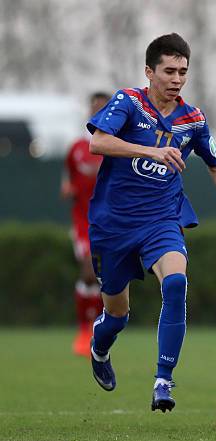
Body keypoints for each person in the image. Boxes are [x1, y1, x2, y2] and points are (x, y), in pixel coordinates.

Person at [86, 33, 216, 412]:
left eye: (183, 71)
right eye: (169, 70)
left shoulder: (192, 119)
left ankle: (163, 380)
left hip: (162, 219)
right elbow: (97, 143)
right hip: (113, 225)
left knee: (177, 283)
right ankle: (100, 349)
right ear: (149, 71)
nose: (177, 78)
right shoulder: (129, 103)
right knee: (116, 315)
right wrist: (151, 149)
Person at [61, 92, 110, 357]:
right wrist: (67, 187)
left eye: (103, 108)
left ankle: (98, 332)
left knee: (103, 277)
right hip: (83, 222)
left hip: (109, 222)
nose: (98, 112)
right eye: (95, 108)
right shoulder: (78, 147)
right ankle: (84, 331)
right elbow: (67, 176)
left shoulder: (117, 146)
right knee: (89, 271)